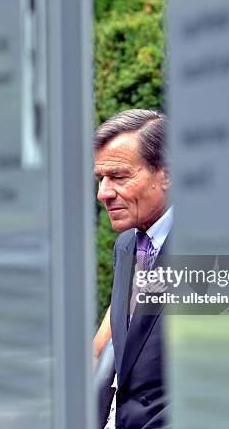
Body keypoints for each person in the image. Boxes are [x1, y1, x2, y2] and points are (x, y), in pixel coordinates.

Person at [93, 109, 172, 428]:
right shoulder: (128, 246)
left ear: (166, 174)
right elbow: (131, 323)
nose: (103, 193)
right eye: (101, 179)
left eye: (119, 176)